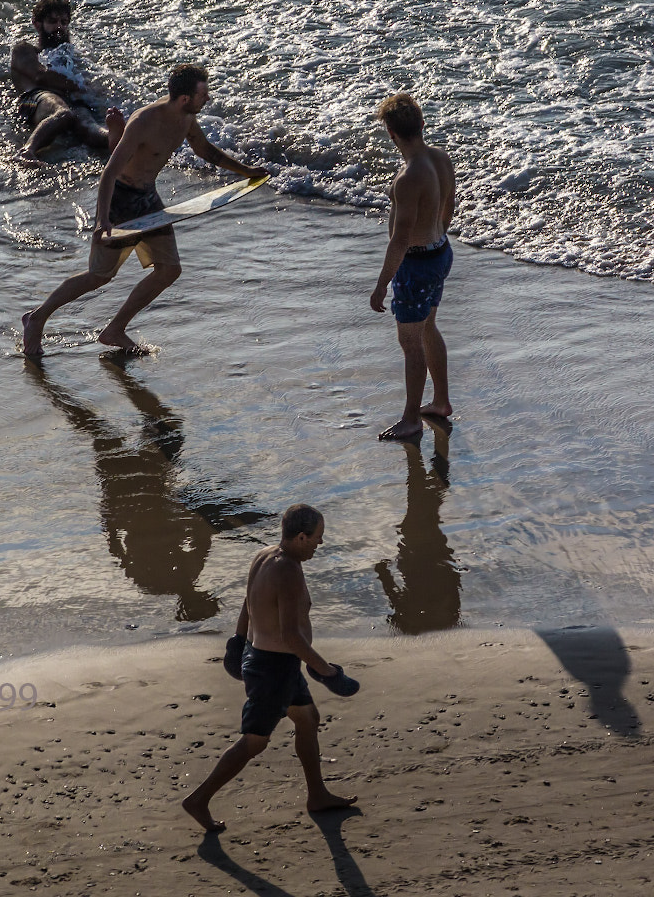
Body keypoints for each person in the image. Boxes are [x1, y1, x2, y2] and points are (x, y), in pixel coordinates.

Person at [22, 63, 266, 359]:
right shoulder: (145, 121)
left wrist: (246, 171)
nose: (209, 99)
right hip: (121, 202)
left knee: (169, 270)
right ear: (185, 98)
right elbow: (109, 172)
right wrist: (102, 219)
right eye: (204, 94)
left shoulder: (187, 118)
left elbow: (206, 151)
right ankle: (37, 317)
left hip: (148, 200)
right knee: (99, 276)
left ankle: (114, 330)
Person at [182, 504, 358, 833]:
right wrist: (329, 673)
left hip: (269, 660)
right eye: (317, 538)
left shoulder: (264, 555)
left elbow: (248, 605)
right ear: (302, 536)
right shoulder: (289, 570)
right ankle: (199, 799)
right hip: (272, 669)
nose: (320, 544)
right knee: (255, 741)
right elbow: (291, 635)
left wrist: (237, 643)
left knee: (308, 719)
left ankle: (317, 795)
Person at [369, 93, 457, 440]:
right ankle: (441, 402)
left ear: (390, 133)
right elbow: (448, 205)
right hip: (440, 251)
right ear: (422, 124)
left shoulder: (407, 178)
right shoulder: (440, 158)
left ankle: (411, 418)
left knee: (411, 342)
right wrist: (437, 239)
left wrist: (381, 284)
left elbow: (400, 239)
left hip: (417, 264)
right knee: (428, 328)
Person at [10, 0, 125, 162]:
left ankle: (115, 137)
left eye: (64, 22)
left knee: (89, 125)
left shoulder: (70, 57)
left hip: (69, 101)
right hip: (34, 100)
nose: (59, 27)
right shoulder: (25, 49)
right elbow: (40, 76)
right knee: (63, 113)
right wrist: (77, 86)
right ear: (37, 23)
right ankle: (27, 151)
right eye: (52, 21)